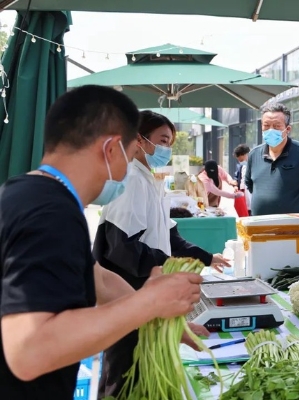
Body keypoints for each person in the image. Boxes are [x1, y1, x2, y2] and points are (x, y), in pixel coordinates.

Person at [0, 85, 204, 399]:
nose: (127, 169)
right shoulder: (50, 212)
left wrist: (158, 315)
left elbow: (102, 280)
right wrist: (148, 302)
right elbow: (29, 351)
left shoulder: (30, 193)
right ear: (110, 149)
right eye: (128, 153)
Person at [92, 110, 228, 397]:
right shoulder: (129, 181)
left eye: (170, 142)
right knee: (125, 372)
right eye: (162, 140)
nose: (166, 149)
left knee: (142, 369)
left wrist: (205, 257)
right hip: (127, 294)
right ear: (138, 140)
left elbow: (169, 235)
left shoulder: (147, 179)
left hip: (143, 295)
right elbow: (121, 248)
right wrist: (168, 266)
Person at [234, 144, 252, 215]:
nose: (240, 162)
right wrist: (235, 184)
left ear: (246, 154)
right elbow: (237, 176)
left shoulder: (254, 164)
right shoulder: (241, 166)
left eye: (241, 160)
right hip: (242, 191)